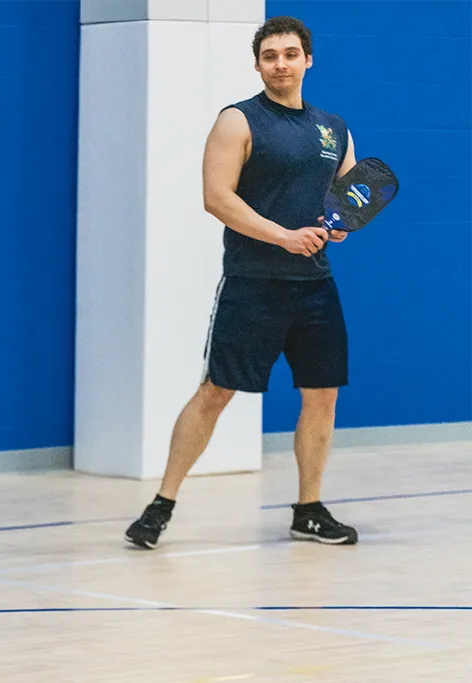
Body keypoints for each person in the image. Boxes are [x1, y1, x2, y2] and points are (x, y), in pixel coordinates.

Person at [123, 16, 359, 549]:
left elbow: (342, 202)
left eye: (291, 53)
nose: (281, 63)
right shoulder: (238, 120)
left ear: (308, 60)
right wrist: (283, 236)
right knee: (216, 392)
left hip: (315, 286)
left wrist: (336, 230)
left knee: (322, 395)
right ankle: (161, 505)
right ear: (257, 64)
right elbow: (217, 198)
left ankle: (308, 509)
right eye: (270, 55)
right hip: (253, 283)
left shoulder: (334, 129)